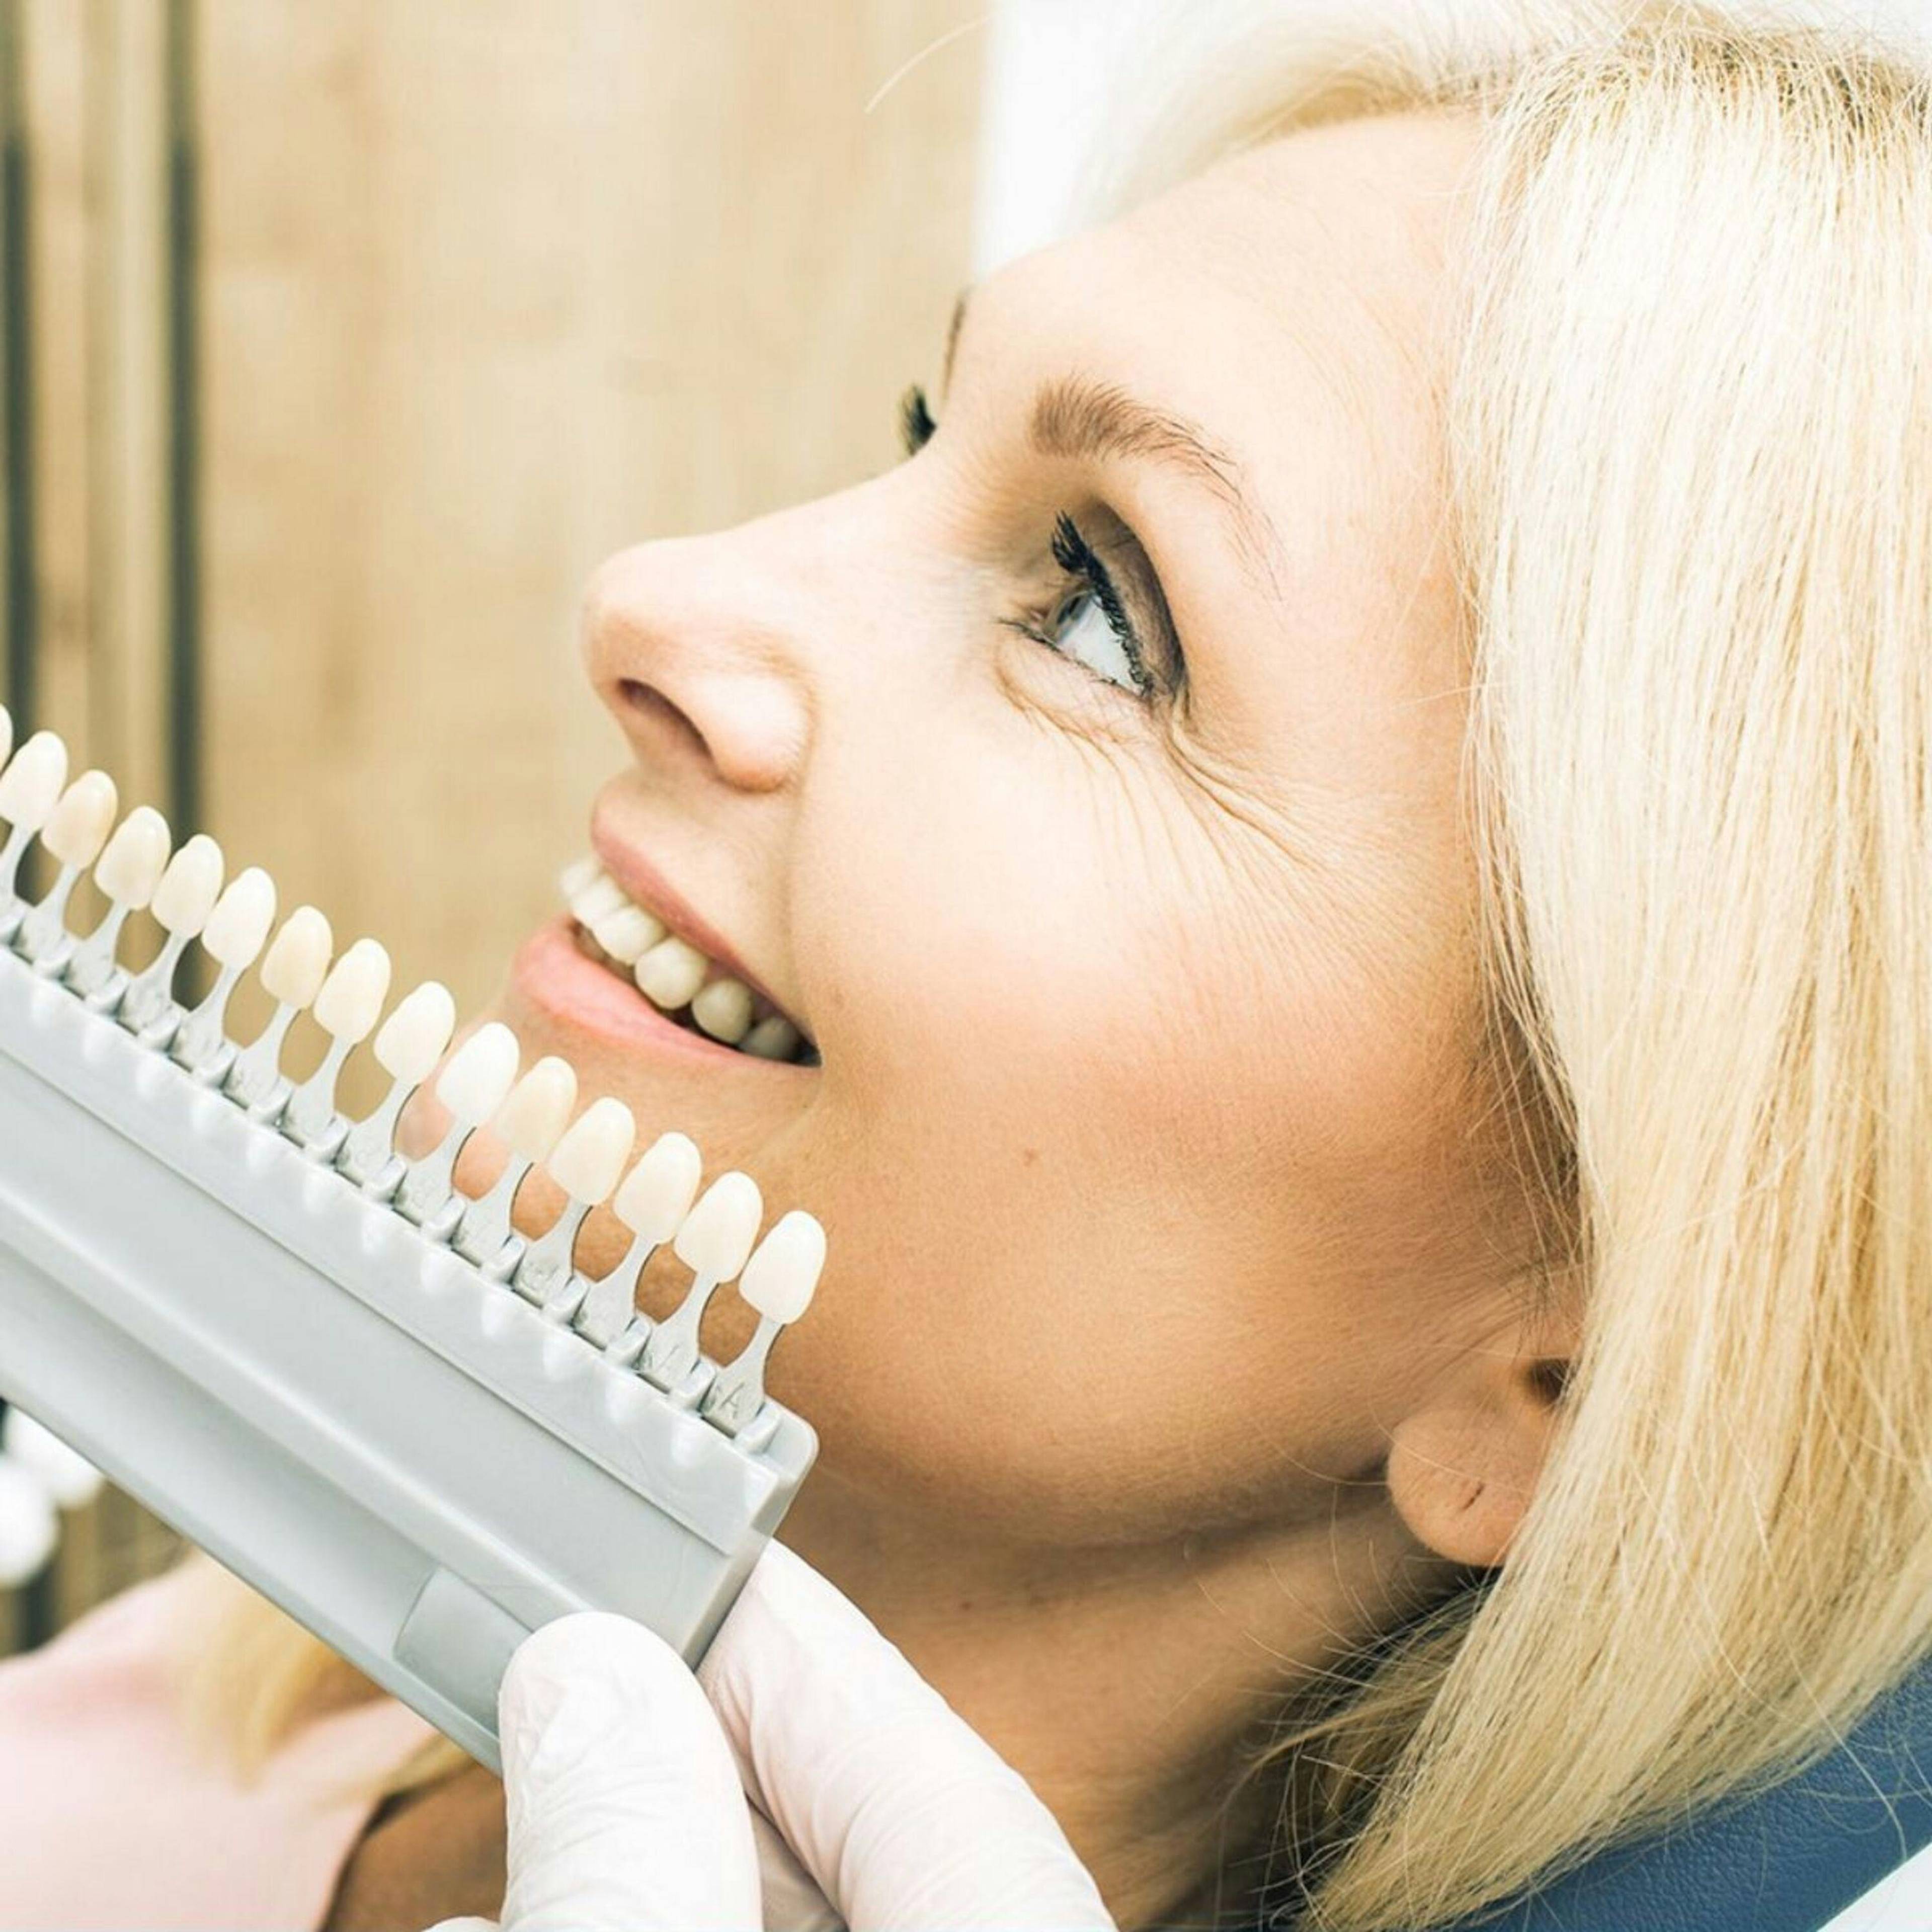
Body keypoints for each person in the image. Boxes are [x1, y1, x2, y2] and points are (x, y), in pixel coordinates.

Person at [3, 2, 1928, 1926]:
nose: (658, 594)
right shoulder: (232, 1693)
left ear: (1566, 1383)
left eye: (1100, 613)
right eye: (923, 431)